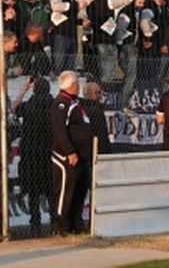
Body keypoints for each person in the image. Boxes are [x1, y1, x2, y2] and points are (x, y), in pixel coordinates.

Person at [49, 71, 94, 235]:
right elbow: (59, 130)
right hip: (67, 157)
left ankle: (76, 222)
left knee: (79, 192)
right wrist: (70, 151)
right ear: (72, 85)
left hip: (82, 156)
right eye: (78, 84)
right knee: (65, 191)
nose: (79, 87)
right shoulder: (61, 103)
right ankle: (61, 224)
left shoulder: (75, 102)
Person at [12, 75, 53, 237]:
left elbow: (14, 107)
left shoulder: (30, 104)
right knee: (50, 190)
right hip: (48, 152)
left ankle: (35, 224)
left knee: (33, 192)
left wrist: (23, 90)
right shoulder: (53, 103)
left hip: (30, 154)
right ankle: (54, 221)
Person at [49, 0, 84, 74]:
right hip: (61, 36)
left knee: (69, 70)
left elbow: (68, 17)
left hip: (71, 35)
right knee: (59, 68)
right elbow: (56, 6)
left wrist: (81, 22)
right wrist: (76, 5)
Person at [80, 82, 112, 154]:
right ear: (90, 94)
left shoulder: (80, 108)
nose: (100, 96)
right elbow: (101, 134)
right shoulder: (96, 111)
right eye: (98, 93)